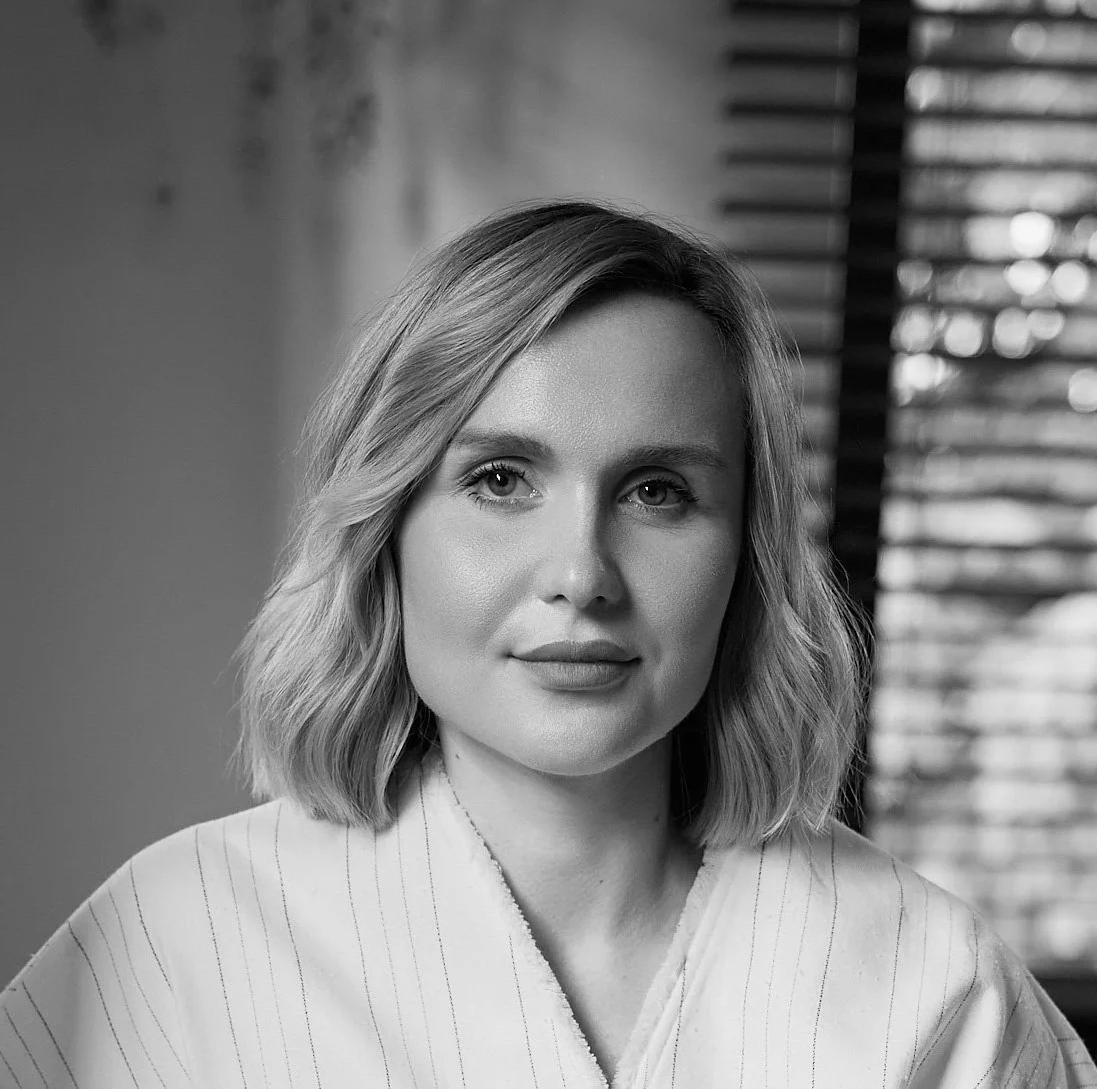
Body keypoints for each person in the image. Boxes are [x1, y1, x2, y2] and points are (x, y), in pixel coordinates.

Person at [1, 201, 1094, 1089]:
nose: (581, 572)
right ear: (385, 530)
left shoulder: (931, 984)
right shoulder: (167, 952)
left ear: (746, 552)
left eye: (658, 491)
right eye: (498, 481)